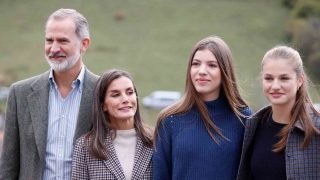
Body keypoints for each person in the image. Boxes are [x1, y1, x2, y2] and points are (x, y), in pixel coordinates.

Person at [0, 8, 98, 179]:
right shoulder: (20, 93)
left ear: (84, 44)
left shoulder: (103, 91)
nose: (54, 48)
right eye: (49, 40)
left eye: (62, 41)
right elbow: (8, 164)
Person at [153, 36, 253, 180]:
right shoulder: (169, 120)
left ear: (225, 70)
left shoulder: (244, 118)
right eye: (196, 64)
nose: (201, 71)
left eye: (212, 65)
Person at [237, 46, 320, 180]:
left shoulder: (316, 128)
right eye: (269, 78)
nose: (275, 86)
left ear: (299, 80)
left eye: (284, 78)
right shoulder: (253, 125)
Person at [71, 69, 153, 180]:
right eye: (115, 95)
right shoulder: (85, 146)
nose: (125, 99)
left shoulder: (157, 140)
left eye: (130, 92)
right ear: (103, 105)